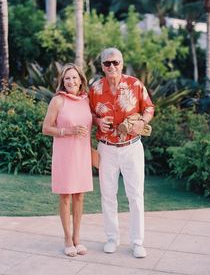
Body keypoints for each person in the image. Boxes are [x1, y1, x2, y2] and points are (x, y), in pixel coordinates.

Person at [89, 47, 154, 258]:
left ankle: (137, 242)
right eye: (107, 63)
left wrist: (141, 123)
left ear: (122, 63)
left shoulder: (135, 84)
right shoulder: (95, 89)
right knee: (108, 195)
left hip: (132, 147)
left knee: (135, 196)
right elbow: (87, 114)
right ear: (102, 66)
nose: (112, 67)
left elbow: (149, 108)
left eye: (115, 62)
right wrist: (97, 120)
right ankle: (111, 238)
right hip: (106, 150)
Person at [43, 63, 93, 257]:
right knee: (65, 196)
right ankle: (67, 238)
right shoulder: (58, 100)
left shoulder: (86, 100)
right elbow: (46, 128)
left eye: (74, 77)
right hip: (65, 155)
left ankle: (77, 238)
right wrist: (68, 131)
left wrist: (100, 122)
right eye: (67, 78)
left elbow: (91, 119)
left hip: (82, 154)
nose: (71, 81)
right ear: (62, 82)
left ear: (81, 79)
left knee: (79, 195)